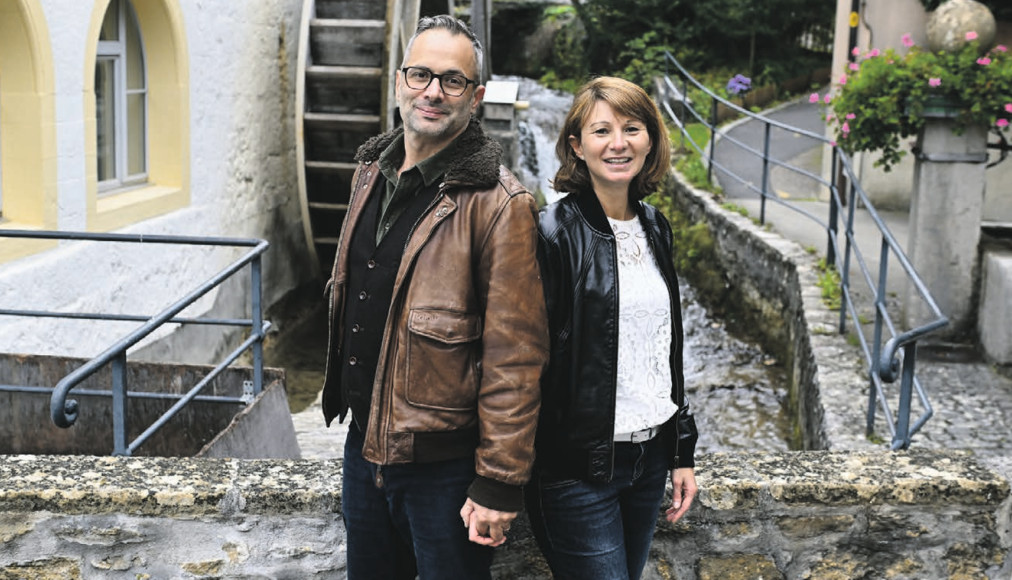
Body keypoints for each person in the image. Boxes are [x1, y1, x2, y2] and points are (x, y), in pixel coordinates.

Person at [318, 15, 549, 580]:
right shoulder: (369, 171)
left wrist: (499, 481)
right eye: (420, 74)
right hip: (363, 448)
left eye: (451, 80)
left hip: (446, 469)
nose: (432, 92)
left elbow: (515, 357)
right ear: (399, 80)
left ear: (476, 96)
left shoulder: (500, 205)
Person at [526, 76, 700, 580]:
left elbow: (665, 349)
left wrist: (680, 451)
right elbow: (522, 358)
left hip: (649, 464)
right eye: (602, 131)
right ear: (577, 146)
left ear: (651, 140)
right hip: (577, 470)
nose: (619, 143)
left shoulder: (655, 225)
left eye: (632, 127)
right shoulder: (551, 231)